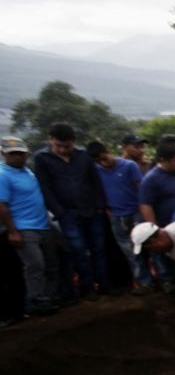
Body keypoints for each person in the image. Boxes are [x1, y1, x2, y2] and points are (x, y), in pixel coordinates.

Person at [31, 122, 113, 299]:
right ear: (50, 140)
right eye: (58, 145)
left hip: (92, 210)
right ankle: (88, 287)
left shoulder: (83, 157)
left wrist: (100, 206)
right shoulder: (42, 159)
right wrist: (59, 212)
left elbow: (95, 182)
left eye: (66, 146)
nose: (62, 150)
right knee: (79, 251)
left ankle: (105, 284)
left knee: (99, 249)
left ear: (73, 142)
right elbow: (45, 189)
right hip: (67, 214)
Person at [0, 137, 59, 314]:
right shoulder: (3, 175)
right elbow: (2, 206)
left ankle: (48, 298)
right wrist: (12, 231)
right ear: (4, 154)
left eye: (21, 153)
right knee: (35, 266)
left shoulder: (28, 172)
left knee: (51, 265)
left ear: (26, 153)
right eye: (13, 154)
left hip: (42, 224)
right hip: (23, 228)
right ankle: (35, 301)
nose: (18, 157)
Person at [88, 141, 153, 293]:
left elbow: (141, 189)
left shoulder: (129, 166)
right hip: (116, 215)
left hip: (135, 212)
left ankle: (164, 279)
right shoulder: (97, 171)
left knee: (149, 245)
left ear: (109, 151)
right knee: (130, 251)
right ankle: (144, 282)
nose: (104, 163)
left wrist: (142, 210)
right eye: (99, 161)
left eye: (104, 158)